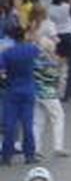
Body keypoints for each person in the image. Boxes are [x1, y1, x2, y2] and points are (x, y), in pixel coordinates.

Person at [0, 25, 41, 165]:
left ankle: (7, 155)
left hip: (12, 91)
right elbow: (40, 53)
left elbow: (2, 72)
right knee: (28, 124)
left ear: (11, 37)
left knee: (9, 125)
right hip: (29, 89)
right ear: (23, 36)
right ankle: (29, 154)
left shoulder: (7, 53)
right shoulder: (31, 49)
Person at [30, 7, 67, 158]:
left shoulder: (30, 43)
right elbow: (56, 68)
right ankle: (58, 146)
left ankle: (36, 149)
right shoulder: (47, 45)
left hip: (34, 87)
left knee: (38, 119)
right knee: (58, 116)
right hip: (47, 89)